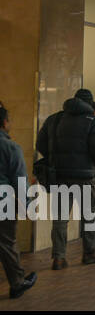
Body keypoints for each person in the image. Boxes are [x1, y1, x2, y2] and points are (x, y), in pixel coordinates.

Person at [35, 88, 95, 268]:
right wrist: (93, 165)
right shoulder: (92, 121)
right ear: (90, 103)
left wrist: (54, 159)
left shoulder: (55, 119)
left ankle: (59, 257)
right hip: (84, 176)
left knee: (60, 217)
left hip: (59, 175)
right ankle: (90, 253)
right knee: (89, 215)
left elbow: (40, 143)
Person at [0, 104, 36, 299]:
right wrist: (26, 205)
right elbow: (20, 180)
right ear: (5, 122)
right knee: (7, 241)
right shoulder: (11, 146)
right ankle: (17, 282)